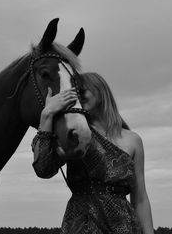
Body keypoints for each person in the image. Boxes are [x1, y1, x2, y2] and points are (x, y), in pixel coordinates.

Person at [31, 72, 154, 234]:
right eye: (73, 92)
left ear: (101, 92)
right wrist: (47, 114)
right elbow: (43, 169)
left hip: (122, 225)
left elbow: (140, 198)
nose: (77, 96)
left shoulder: (133, 140)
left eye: (81, 91)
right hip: (81, 223)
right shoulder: (76, 135)